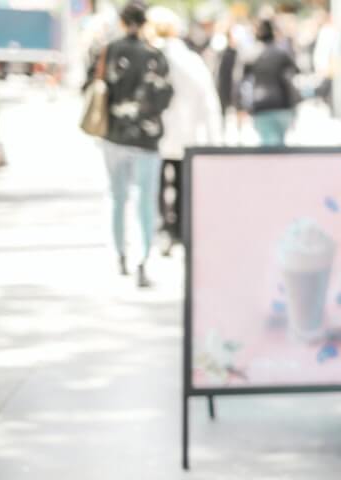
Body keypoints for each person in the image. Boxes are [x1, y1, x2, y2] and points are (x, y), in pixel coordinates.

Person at [85, 1, 173, 287]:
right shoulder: (155, 56)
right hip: (146, 138)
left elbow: (92, 86)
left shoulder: (108, 51)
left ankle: (120, 253)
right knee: (145, 200)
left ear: (122, 22)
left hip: (114, 134)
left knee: (118, 197)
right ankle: (142, 259)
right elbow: (165, 97)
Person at [147, 7, 222, 255]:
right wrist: (214, 138)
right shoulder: (190, 59)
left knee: (156, 184)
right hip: (186, 133)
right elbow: (208, 99)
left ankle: (163, 229)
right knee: (181, 182)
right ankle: (179, 228)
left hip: (155, 133)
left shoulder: (151, 56)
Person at [243, 19, 298, 147]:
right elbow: (293, 75)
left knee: (268, 146)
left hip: (262, 105)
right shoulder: (282, 53)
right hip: (281, 105)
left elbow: (243, 82)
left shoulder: (252, 54)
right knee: (278, 145)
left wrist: (241, 105)